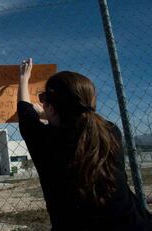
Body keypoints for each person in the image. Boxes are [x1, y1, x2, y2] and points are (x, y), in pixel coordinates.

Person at [17, 58, 152, 230]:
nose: (42, 103)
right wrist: (51, 113)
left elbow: (25, 111)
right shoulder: (110, 131)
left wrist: (23, 77)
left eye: (43, 98)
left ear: (51, 107)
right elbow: (79, 118)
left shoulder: (45, 139)